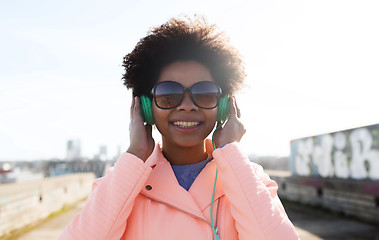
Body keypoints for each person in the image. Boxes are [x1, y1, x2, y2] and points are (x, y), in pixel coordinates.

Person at [58, 16, 299, 240]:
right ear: (145, 106)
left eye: (204, 94)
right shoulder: (121, 184)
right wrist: (135, 155)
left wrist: (230, 150)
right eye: (168, 94)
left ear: (224, 106)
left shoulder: (248, 179)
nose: (186, 106)